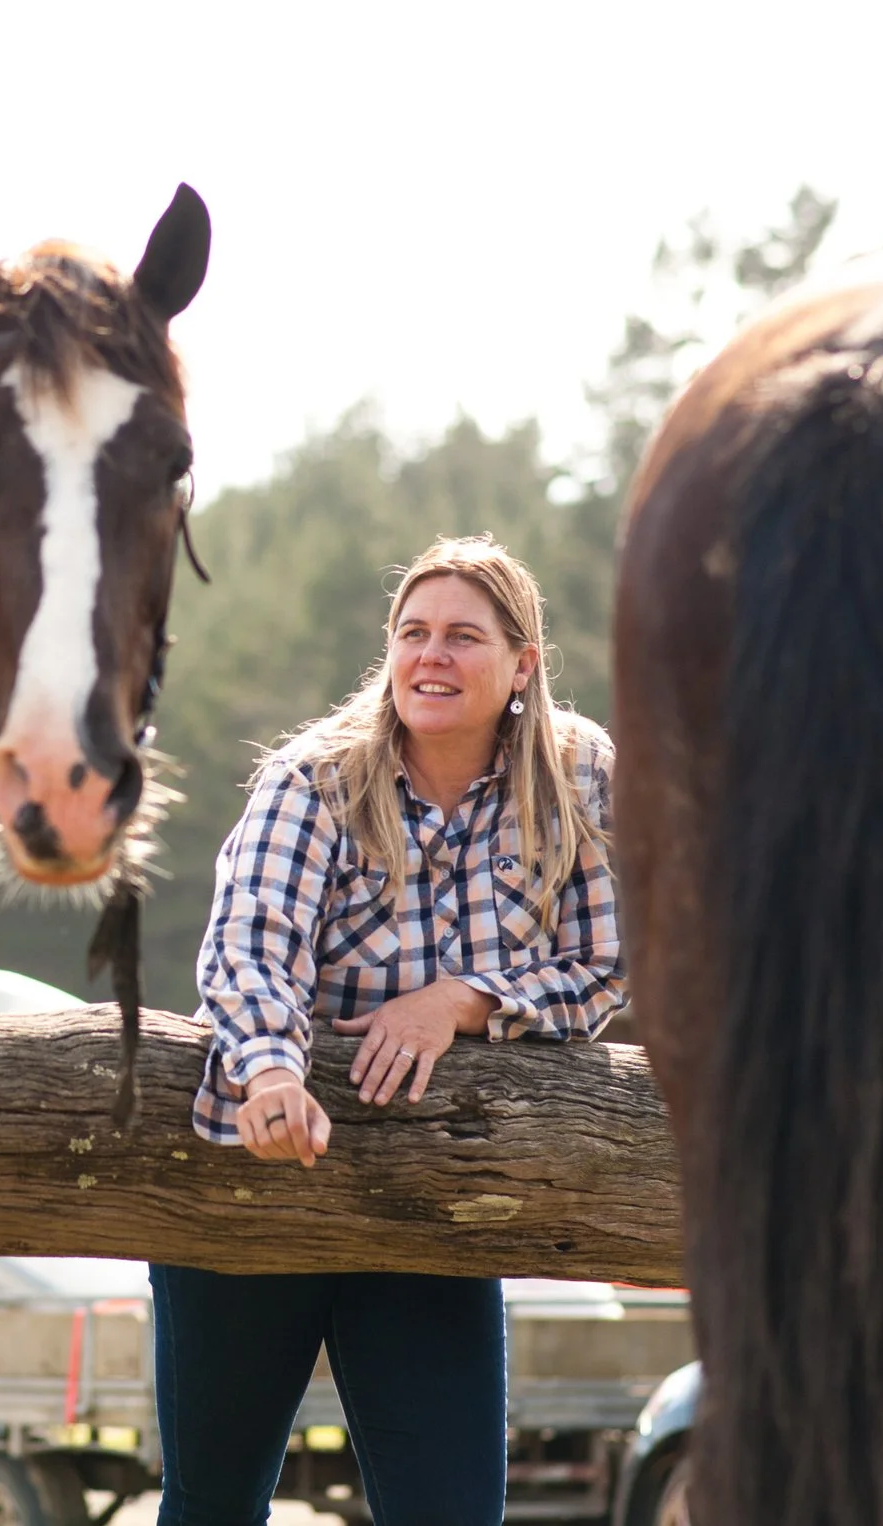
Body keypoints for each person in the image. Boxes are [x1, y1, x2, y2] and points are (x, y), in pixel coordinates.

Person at [153, 534, 625, 1526]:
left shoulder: (577, 777)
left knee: (451, 1515)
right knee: (212, 1508)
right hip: (259, 1174)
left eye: (462, 636)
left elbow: (600, 967)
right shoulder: (313, 778)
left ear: (522, 664)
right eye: (412, 634)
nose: (431, 656)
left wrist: (464, 998)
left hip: (429, 1195)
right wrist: (272, 1070)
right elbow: (251, 941)